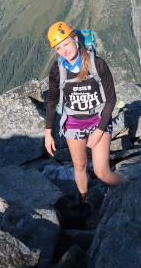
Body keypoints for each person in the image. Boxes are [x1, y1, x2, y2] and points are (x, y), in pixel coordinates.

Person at [44, 21, 125, 207]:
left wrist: (99, 130)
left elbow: (111, 99)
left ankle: (132, 187)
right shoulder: (58, 69)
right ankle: (85, 200)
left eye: (66, 44)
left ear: (75, 39)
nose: (63, 50)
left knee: (102, 172)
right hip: (73, 121)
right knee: (79, 166)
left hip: (99, 119)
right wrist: (48, 132)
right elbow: (52, 100)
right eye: (58, 48)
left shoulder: (97, 63)